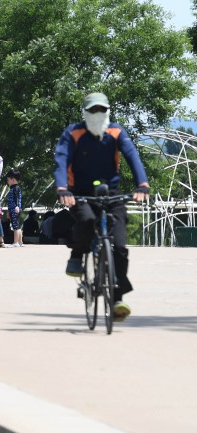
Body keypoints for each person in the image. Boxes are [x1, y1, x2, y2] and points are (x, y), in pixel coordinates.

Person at [54, 92, 149, 322]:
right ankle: (77, 254)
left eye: (102, 110)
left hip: (111, 193)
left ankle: (117, 299)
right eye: (93, 110)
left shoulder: (116, 132)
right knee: (86, 221)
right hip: (79, 193)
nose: (98, 114)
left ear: (108, 111)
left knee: (119, 246)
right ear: (85, 113)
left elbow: (132, 155)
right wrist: (62, 189)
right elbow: (61, 159)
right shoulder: (73, 133)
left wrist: (142, 184)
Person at [5, 169, 23, 247]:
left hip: (15, 209)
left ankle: (16, 242)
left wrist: (16, 206)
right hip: (14, 209)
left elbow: (16, 198)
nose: (8, 182)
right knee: (17, 226)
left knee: (15, 226)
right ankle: (20, 242)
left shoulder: (15, 188)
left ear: (13, 179)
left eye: (8, 180)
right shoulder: (15, 188)